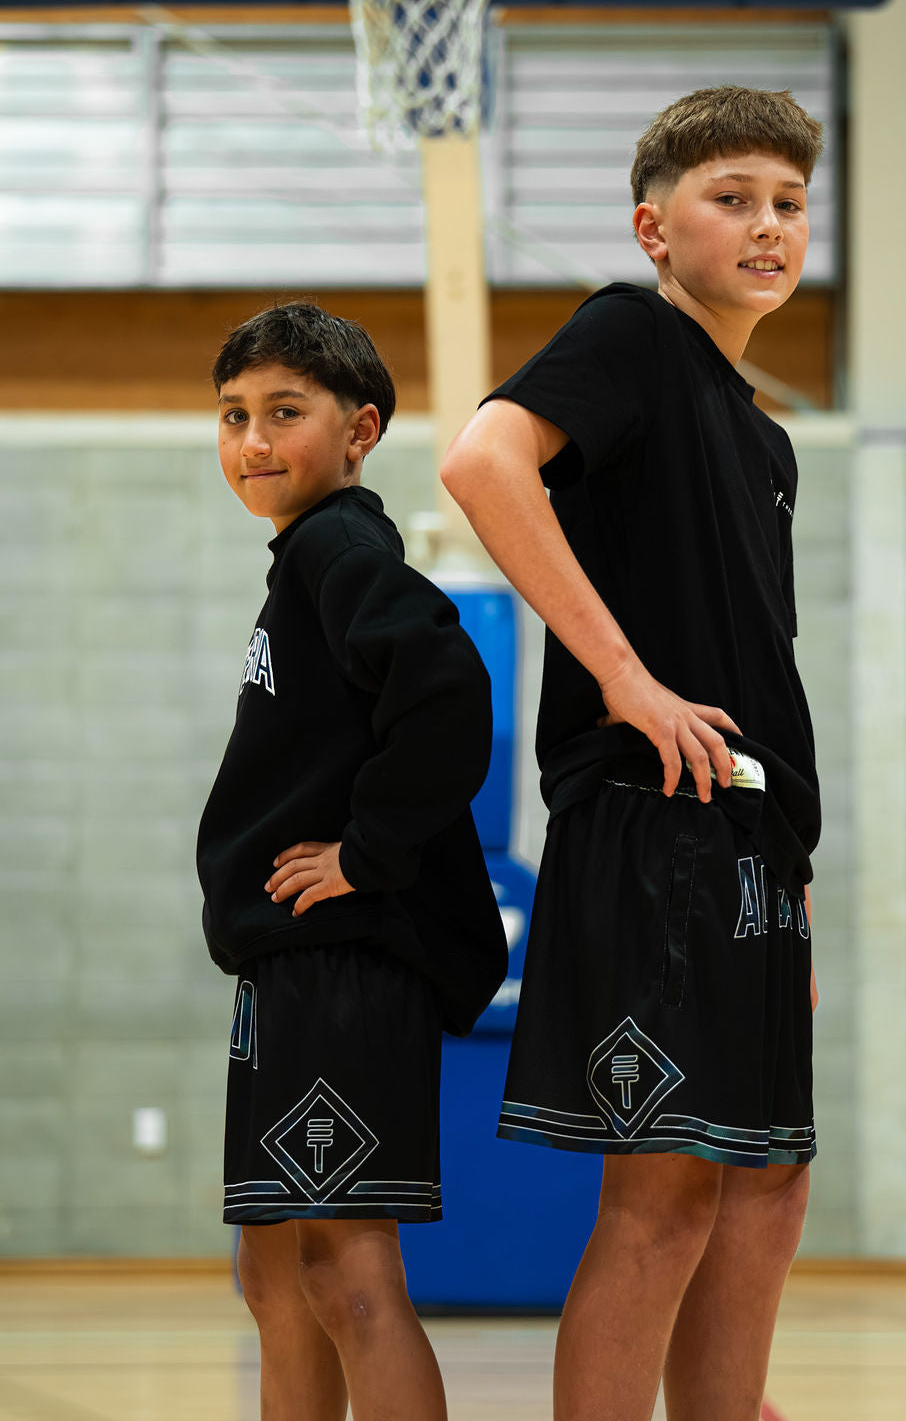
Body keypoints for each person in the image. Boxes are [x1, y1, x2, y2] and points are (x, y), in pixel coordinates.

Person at [441, 86, 823, 1421]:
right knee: (662, 1190)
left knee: (765, 1177)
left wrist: (794, 866)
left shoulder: (759, 431)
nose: (768, 225)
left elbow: (751, 654)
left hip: (751, 845)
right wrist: (623, 677)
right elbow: (483, 461)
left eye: (787, 201)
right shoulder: (629, 335)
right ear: (656, 228)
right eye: (734, 198)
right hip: (654, 825)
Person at [197, 302, 507, 1421]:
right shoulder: (306, 565)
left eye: (286, 412)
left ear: (360, 427)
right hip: (292, 975)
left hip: (341, 967)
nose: (255, 442)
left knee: (343, 1268)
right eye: (234, 416)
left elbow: (448, 694)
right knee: (275, 1272)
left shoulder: (341, 545)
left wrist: (366, 857)